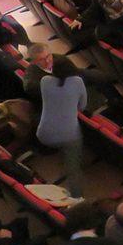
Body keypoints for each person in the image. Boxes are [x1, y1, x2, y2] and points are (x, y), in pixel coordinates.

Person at [37, 60, 87, 198]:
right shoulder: (77, 81)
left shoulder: (44, 80)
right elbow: (82, 107)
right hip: (69, 137)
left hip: (43, 135)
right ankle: (77, 198)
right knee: (73, 168)